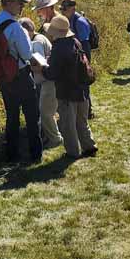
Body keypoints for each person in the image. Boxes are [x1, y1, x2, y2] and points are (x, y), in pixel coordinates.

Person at [0, 0, 43, 164]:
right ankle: (35, 154)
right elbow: (26, 54)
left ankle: (12, 155)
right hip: (20, 75)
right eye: (19, 3)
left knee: (12, 114)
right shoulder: (15, 27)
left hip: (1, 77)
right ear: (8, 4)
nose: (22, 6)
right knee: (32, 114)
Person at [43, 15, 97, 159]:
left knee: (68, 124)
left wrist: (42, 68)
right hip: (82, 88)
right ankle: (89, 146)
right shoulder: (75, 42)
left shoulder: (58, 48)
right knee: (82, 121)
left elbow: (52, 74)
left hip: (67, 91)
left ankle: (73, 152)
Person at [20, 17, 63, 149]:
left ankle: (55, 139)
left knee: (46, 113)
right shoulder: (38, 38)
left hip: (48, 81)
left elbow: (39, 65)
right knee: (48, 111)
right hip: (48, 80)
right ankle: (50, 135)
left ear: (27, 31)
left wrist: (27, 67)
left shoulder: (36, 42)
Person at [59, 0, 95, 118]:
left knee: (84, 78)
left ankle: (88, 111)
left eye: (65, 9)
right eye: (62, 9)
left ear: (73, 9)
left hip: (83, 52)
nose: (63, 12)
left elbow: (84, 43)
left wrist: (83, 60)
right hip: (75, 52)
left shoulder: (80, 22)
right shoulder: (67, 19)